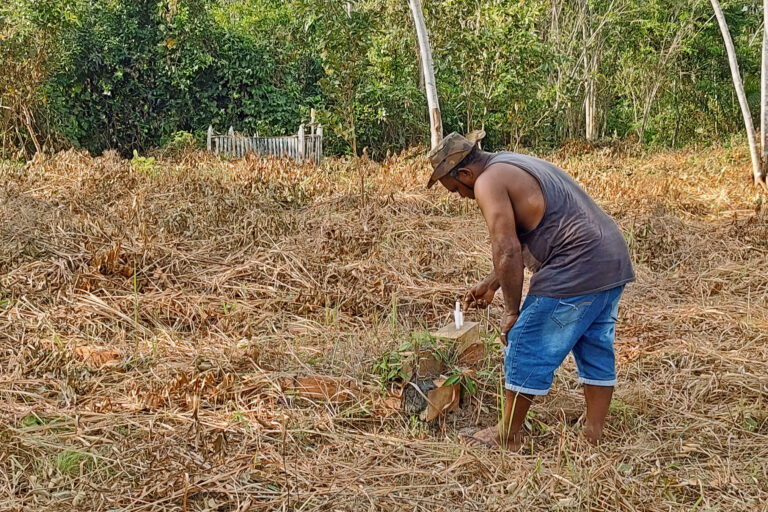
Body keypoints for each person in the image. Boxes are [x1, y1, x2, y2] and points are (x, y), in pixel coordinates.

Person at [427, 131, 634, 449]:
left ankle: (508, 435)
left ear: (466, 174)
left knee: (523, 341)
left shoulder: (487, 181)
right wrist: (493, 281)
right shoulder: (512, 162)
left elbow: (507, 248)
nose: (461, 197)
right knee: (595, 346)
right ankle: (592, 435)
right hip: (610, 258)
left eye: (456, 189)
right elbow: (539, 227)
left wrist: (512, 311)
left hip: (576, 264)